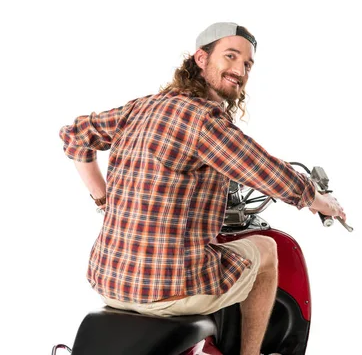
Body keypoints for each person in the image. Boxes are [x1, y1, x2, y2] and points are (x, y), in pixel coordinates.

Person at [59, 22, 346, 355]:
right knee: (267, 249)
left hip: (108, 282)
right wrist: (317, 199)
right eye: (231, 56)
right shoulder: (203, 120)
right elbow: (262, 169)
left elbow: (75, 134)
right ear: (200, 58)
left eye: (248, 64)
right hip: (166, 292)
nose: (240, 69)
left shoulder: (142, 107)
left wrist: (103, 198)